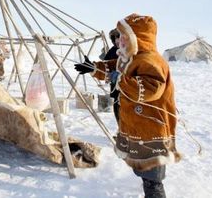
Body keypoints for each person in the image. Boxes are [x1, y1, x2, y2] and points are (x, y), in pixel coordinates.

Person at [74, 14, 181, 198]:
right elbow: (113, 65)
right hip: (136, 121)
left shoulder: (151, 60)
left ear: (137, 38)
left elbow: (151, 89)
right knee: (142, 163)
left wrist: (122, 80)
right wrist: (94, 68)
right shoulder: (131, 57)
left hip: (151, 124)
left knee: (153, 175)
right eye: (119, 36)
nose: (119, 41)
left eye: (124, 36)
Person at [105, 28, 121, 123]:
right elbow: (105, 64)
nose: (117, 41)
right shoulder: (112, 51)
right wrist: (110, 73)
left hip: (127, 85)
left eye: (119, 37)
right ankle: (120, 130)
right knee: (116, 105)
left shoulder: (129, 51)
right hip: (115, 84)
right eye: (115, 38)